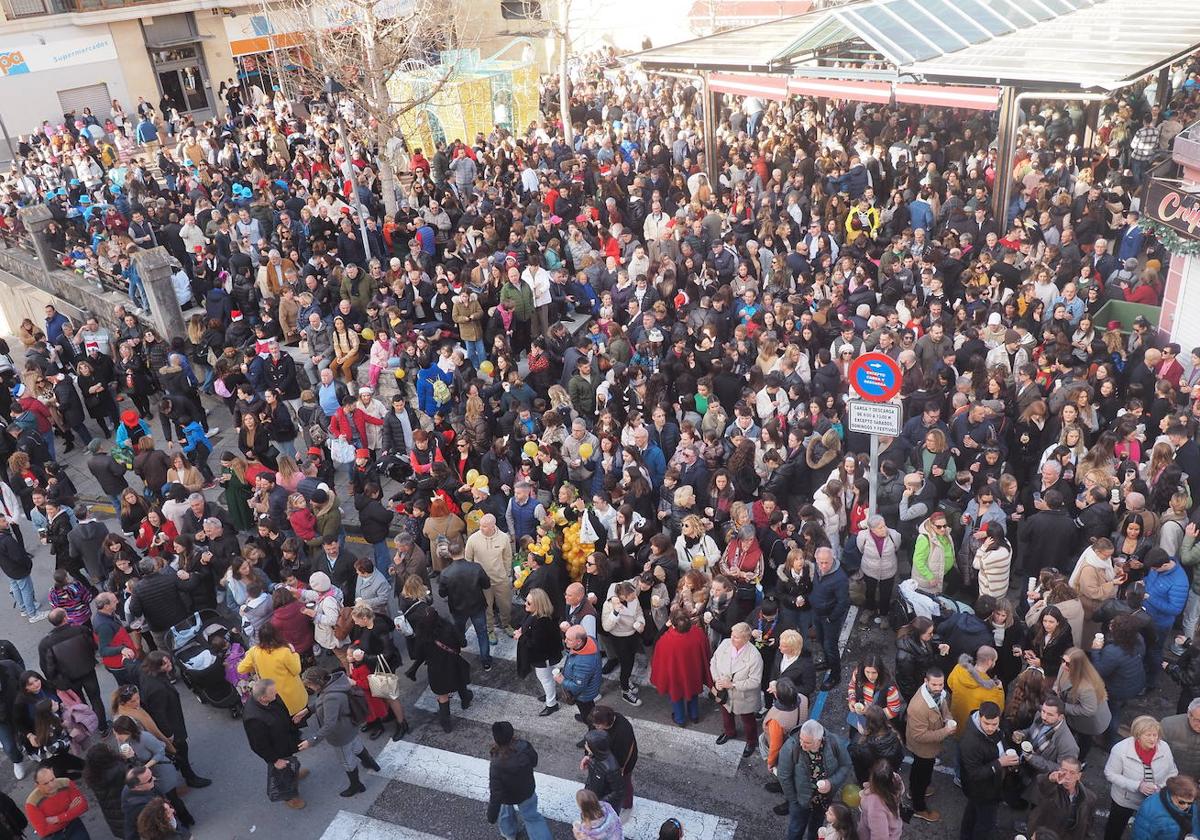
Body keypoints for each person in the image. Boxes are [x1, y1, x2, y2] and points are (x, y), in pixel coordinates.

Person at [297, 666, 380, 798]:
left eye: (310, 685)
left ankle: (356, 785)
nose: (310, 689)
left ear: (317, 683)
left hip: (340, 734)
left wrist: (311, 741)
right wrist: (307, 710)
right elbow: (322, 702)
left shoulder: (331, 697)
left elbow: (329, 724)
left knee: (347, 761)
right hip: (350, 727)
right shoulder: (334, 683)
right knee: (357, 746)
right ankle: (371, 763)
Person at [137, 652, 211, 788]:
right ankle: (189, 777)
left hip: (171, 718)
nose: (169, 664)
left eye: (168, 661)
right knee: (181, 748)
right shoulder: (157, 689)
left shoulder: (147, 674)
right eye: (165, 663)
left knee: (178, 749)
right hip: (172, 724)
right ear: (156, 666)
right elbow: (160, 714)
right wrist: (169, 734)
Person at [1104, 715, 1179, 840]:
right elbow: (1110, 773)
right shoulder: (1120, 749)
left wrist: (1161, 788)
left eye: (1155, 735)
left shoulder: (1164, 747)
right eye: (1148, 735)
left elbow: (1173, 772)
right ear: (1137, 736)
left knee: (1147, 832)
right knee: (1114, 829)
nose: (1153, 739)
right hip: (1125, 801)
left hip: (1154, 801)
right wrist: (1138, 785)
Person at [776, 719, 852, 840]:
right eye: (801, 739)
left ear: (819, 740)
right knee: (796, 830)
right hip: (800, 800)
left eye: (807, 742)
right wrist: (793, 800)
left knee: (816, 829)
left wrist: (831, 783)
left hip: (824, 799)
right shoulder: (790, 747)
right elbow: (784, 776)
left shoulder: (834, 742)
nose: (802, 744)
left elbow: (846, 765)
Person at [37, 609, 107, 734]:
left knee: (79, 703)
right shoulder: (81, 630)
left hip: (68, 679)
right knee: (95, 698)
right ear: (65, 618)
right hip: (88, 671)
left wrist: (55, 682)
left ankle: (88, 726)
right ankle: (103, 727)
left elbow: (48, 667)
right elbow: (93, 647)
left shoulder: (46, 643)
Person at [242, 679, 307, 810]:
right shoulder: (253, 718)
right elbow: (258, 745)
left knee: (289, 763)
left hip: (286, 739)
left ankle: (293, 775)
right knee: (281, 771)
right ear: (263, 698)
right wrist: (274, 760)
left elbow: (282, 710)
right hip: (276, 751)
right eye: (273, 692)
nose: (276, 693)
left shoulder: (271, 698)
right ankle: (289, 796)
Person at [960, 700, 1019, 840]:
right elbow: (974, 774)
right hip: (983, 789)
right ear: (980, 717)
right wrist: (999, 763)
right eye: (986, 723)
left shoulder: (999, 726)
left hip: (988, 785)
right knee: (986, 824)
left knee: (972, 812)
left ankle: (965, 835)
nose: (991, 728)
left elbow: (1001, 737)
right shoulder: (970, 742)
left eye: (994, 724)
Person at [485, 721, 552, 840]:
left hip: (507, 796)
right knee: (532, 818)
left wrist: (491, 815)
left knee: (505, 813)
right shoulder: (524, 746)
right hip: (527, 790)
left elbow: (496, 793)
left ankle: (510, 834)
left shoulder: (496, 763)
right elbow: (534, 761)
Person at [904, 668, 953, 823]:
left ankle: (913, 791)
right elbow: (920, 735)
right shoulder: (918, 707)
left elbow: (943, 708)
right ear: (926, 682)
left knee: (919, 769)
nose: (938, 688)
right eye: (934, 684)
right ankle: (919, 807)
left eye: (941, 684)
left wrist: (948, 718)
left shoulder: (938, 694)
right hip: (923, 748)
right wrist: (946, 731)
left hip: (929, 746)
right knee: (922, 773)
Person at [709, 622, 763, 758]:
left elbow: (755, 681)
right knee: (726, 713)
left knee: (748, 720)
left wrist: (732, 684)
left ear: (746, 639)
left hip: (744, 696)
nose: (732, 639)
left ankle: (751, 741)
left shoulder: (754, 656)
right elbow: (713, 662)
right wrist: (717, 680)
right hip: (724, 692)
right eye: (732, 635)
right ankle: (729, 732)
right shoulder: (725, 643)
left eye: (737, 637)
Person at [650, 610, 713, 726]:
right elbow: (706, 653)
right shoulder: (698, 634)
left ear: (673, 624)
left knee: (676, 695)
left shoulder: (665, 640)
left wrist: (665, 626)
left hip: (675, 675)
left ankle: (680, 719)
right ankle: (694, 716)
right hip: (694, 672)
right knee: (693, 693)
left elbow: (657, 652)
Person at [437, 547, 493, 672]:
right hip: (477, 606)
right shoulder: (476, 567)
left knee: (458, 631)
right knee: (482, 634)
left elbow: (442, 593)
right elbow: (486, 585)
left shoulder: (446, 573)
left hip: (458, 608)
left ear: (450, 554)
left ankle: (461, 647)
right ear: (463, 552)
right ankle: (486, 662)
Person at [514, 589, 563, 715]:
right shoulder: (538, 615)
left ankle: (551, 704)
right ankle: (550, 695)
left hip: (543, 656)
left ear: (538, 605)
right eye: (526, 601)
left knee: (545, 679)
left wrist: (521, 637)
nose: (525, 604)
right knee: (547, 678)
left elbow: (536, 644)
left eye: (529, 603)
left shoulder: (541, 622)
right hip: (546, 655)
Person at [1026, 756, 1097, 840]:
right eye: (1064, 771)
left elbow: (1088, 826)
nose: (1067, 776)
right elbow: (1042, 784)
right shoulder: (1052, 789)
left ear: (1079, 776)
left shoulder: (1089, 798)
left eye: (1072, 773)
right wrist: (1050, 778)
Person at [811, 546, 849, 691]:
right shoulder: (814, 569)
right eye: (820, 562)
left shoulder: (840, 578)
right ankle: (827, 662)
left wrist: (831, 618)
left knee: (830, 646)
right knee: (820, 640)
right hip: (816, 613)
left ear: (832, 559)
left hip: (829, 618)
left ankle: (835, 675)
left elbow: (843, 602)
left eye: (826, 562)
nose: (823, 566)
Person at [557, 625, 601, 740]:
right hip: (587, 691)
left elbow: (578, 687)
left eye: (569, 639)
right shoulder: (589, 640)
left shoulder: (584, 662)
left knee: (588, 713)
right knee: (586, 710)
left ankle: (592, 734)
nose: (565, 641)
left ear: (579, 641)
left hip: (583, 695)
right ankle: (585, 716)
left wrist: (562, 681)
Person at [25, 765, 89, 840]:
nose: (51, 785)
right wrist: (69, 813)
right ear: (37, 785)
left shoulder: (65, 783)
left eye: (52, 780)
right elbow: (44, 831)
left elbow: (83, 806)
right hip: (54, 836)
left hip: (73, 826)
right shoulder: (32, 803)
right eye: (46, 783)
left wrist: (57, 819)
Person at [1131, 773, 1200, 840]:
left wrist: (1194, 836)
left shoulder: (1192, 804)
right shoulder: (1150, 809)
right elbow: (1141, 835)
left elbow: (1194, 825)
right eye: (1181, 802)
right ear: (1172, 794)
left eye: (1190, 803)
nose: (1186, 806)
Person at [858, 759, 903, 840]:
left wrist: (864, 800)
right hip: (894, 830)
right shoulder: (895, 782)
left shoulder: (875, 806)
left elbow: (880, 836)